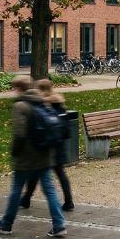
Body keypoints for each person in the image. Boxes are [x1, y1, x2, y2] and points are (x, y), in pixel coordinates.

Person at [0, 77, 66, 237]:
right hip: (45, 153)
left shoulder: (20, 106)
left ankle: (6, 224)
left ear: (18, 89)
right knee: (50, 190)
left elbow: (20, 133)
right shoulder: (42, 101)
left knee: (16, 189)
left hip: (27, 156)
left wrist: (14, 152)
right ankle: (59, 225)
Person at [20, 79, 74, 212]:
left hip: (47, 146)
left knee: (36, 173)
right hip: (59, 144)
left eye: (38, 89)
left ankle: (26, 198)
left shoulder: (44, 106)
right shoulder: (60, 105)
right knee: (59, 174)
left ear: (43, 91)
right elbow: (66, 130)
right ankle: (68, 201)